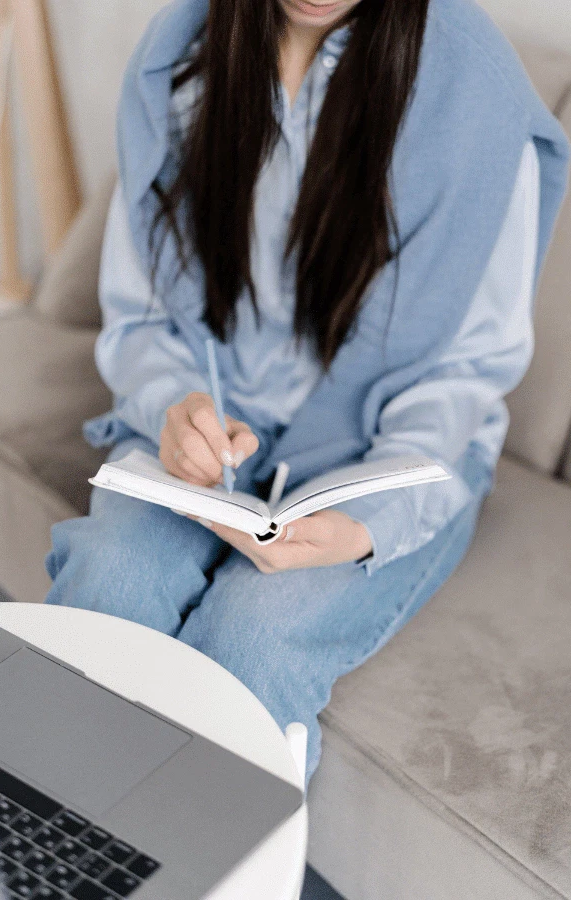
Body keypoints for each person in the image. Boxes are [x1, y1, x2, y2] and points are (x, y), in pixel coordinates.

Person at [44, 0, 569, 798]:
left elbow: (463, 374)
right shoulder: (179, 64)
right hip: (220, 441)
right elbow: (147, 314)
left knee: (253, 637)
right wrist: (172, 405)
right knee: (110, 582)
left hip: (385, 462)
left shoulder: (479, 98)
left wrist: (367, 524)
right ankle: (57, 855)